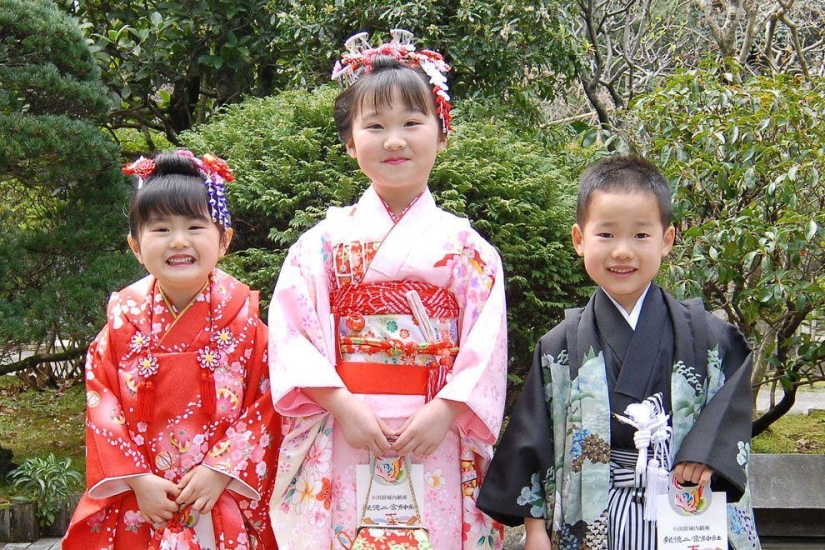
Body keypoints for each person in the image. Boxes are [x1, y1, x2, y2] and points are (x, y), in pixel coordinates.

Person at [268, 29, 508, 549]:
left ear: (442, 134)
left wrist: (445, 410)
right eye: (374, 125)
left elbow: (485, 351)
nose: (394, 139)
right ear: (351, 142)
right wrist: (343, 406)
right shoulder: (321, 246)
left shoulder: (469, 251)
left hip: (436, 434)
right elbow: (291, 337)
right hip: (347, 430)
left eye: (412, 123)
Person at [476, 155, 761, 550]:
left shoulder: (707, 336)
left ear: (667, 240)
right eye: (606, 235)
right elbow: (532, 441)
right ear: (579, 240)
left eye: (641, 236)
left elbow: (732, 399)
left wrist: (706, 452)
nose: (622, 251)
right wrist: (535, 530)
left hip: (683, 507)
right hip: (592, 511)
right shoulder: (559, 345)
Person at [63, 151, 279, 549]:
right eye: (160, 229)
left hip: (217, 493)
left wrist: (222, 469)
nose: (179, 241)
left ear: (224, 239)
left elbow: (266, 405)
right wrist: (138, 480)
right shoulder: (118, 329)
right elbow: (102, 405)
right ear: (135, 246)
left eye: (195, 226)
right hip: (143, 500)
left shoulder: (249, 327)